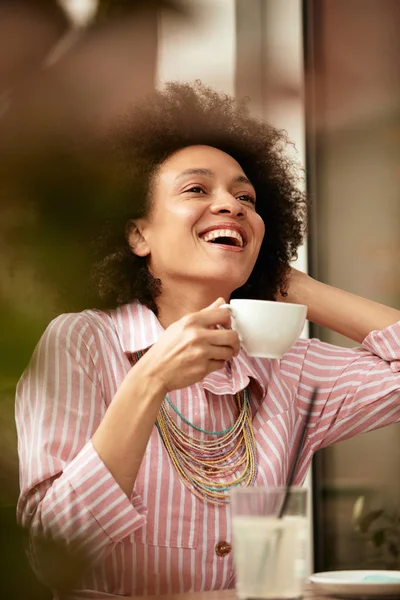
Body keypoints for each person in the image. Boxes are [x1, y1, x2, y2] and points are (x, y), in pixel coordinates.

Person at [15, 82, 400, 599]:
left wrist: (296, 287)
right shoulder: (81, 341)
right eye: (197, 189)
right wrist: (149, 378)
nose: (232, 205)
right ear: (137, 235)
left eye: (246, 198)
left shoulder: (286, 367)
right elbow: (50, 555)